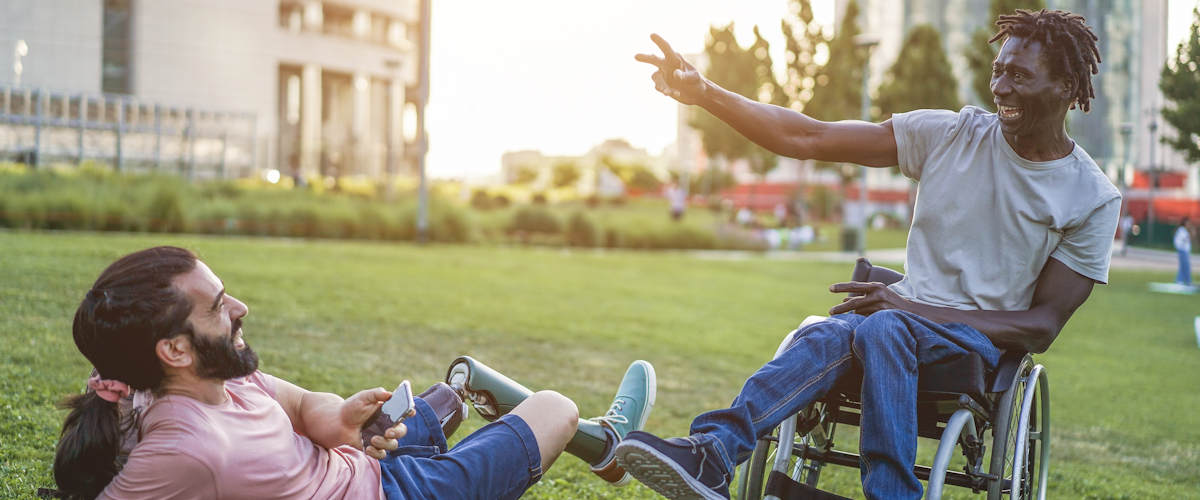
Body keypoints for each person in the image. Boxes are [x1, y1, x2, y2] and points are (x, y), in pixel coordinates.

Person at [617, 9, 1119, 500]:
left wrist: (905, 308)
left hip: (975, 342)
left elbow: (1040, 327)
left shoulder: (1091, 197)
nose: (1001, 88)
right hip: (898, 323)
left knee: (881, 325)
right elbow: (807, 135)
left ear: (1067, 88)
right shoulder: (949, 135)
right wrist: (705, 94)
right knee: (824, 333)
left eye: (1020, 76)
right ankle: (713, 453)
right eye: (998, 71)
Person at [54, 246, 656, 499]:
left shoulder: (218, 374)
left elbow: (295, 405)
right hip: (392, 491)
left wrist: (336, 418)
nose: (240, 310)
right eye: (217, 307)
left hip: (358, 460)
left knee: (445, 394)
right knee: (554, 406)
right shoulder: (187, 448)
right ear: (174, 351)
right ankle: (603, 443)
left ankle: (457, 403)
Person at [1175, 216, 1192, 286]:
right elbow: (1184, 239)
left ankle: (1184, 280)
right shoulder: (1181, 230)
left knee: (1185, 266)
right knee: (1185, 266)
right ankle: (1182, 280)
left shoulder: (1184, 230)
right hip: (1182, 250)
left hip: (1185, 250)